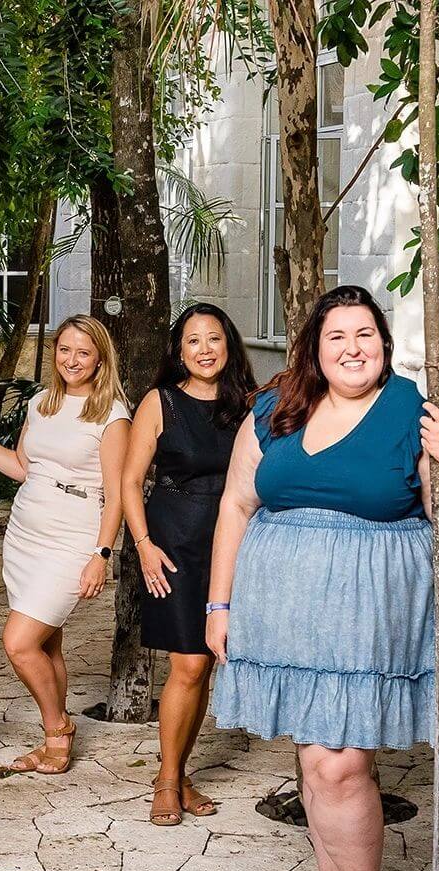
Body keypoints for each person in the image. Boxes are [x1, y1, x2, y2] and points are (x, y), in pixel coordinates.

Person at [206, 285, 439, 871]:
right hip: (284, 614)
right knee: (311, 764)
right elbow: (237, 504)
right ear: (315, 347)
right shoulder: (274, 410)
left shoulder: (414, 414)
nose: (353, 347)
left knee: (338, 763)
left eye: (366, 334)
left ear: (385, 345)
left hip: (367, 611)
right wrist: (218, 604)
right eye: (338, 336)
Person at [0, 314, 131, 774]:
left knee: (19, 643)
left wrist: (102, 554)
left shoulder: (112, 414)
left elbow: (117, 494)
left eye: (84, 352)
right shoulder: (42, 402)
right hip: (26, 531)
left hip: (73, 537)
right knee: (48, 646)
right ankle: (53, 745)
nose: (72, 360)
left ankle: (58, 728)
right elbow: (23, 465)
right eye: (65, 349)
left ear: (100, 358)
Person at [122, 303, 256, 824]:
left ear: (229, 346)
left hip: (230, 545)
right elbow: (131, 481)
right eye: (194, 340)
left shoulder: (247, 404)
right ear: (179, 350)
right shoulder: (160, 402)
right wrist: (144, 544)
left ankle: (179, 772)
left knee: (204, 664)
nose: (205, 349)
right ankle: (167, 778)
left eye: (214, 339)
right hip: (173, 543)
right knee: (189, 664)